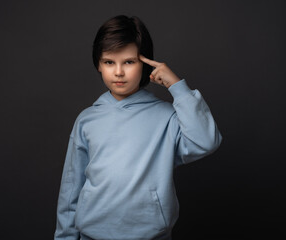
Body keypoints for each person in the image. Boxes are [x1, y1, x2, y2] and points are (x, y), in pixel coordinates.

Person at [54, 15, 222, 240]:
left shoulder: (168, 117)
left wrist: (178, 87)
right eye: (109, 62)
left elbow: (206, 141)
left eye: (129, 62)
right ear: (98, 65)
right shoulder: (86, 120)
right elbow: (71, 189)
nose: (119, 72)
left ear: (145, 64)